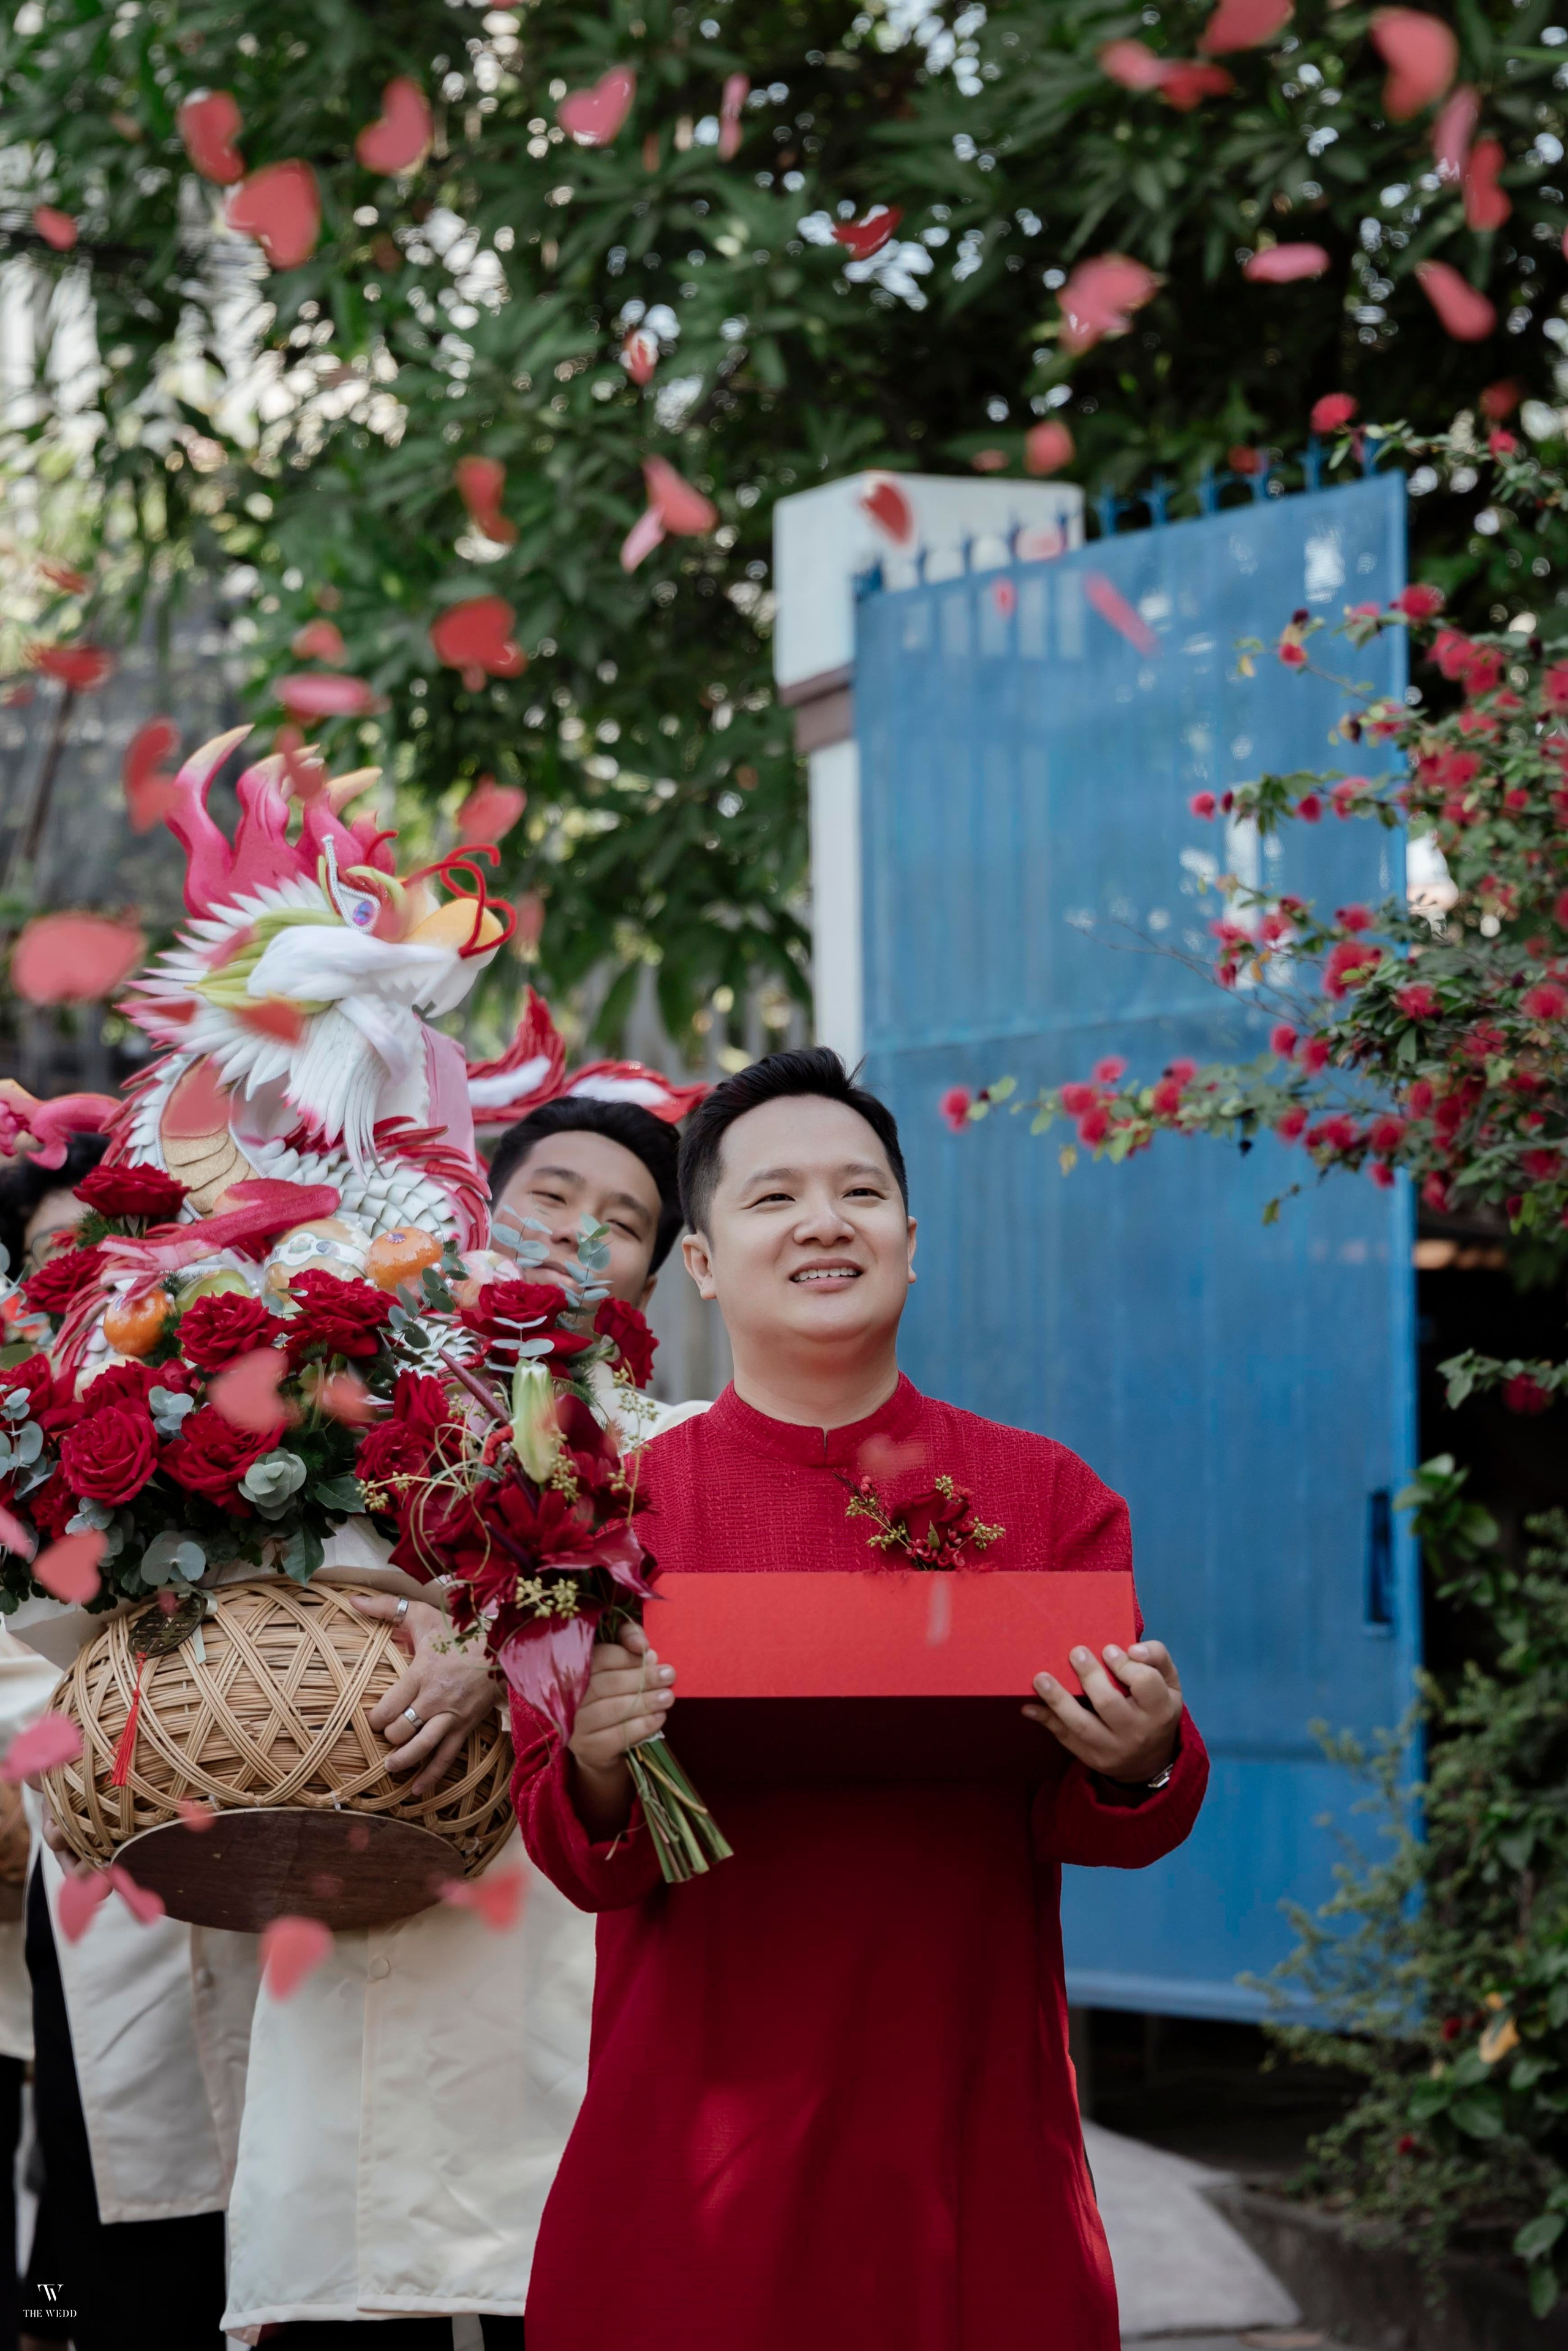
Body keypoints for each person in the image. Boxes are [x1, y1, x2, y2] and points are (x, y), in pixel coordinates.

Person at [513, 1048, 1210, 2351]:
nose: (824, 1220)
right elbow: (571, 1845)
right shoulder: (604, 1515)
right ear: (704, 1263)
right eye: (771, 1197)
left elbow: (1112, 1816)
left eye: (860, 1190)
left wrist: (1140, 1752)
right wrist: (598, 1759)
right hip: (693, 2135)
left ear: (909, 1237)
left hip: (966, 2126)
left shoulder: (1044, 1492)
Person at [222, 1095, 704, 2345]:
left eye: (622, 1220)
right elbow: (257, 1589)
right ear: (486, 1200)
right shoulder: (351, 1389)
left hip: (534, 1904)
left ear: (658, 1268)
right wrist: (405, 1615)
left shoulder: (664, 1445)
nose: (575, 1232)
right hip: (355, 1842)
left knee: (534, 2255)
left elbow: (637, 1598)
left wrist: (494, 1639)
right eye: (551, 1194)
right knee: (348, 2260)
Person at [0, 1134, 258, 2351]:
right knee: (129, 2230)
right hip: (93, 1851)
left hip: (265, 1831)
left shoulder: (248, 1429)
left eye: (127, 1248)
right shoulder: (25, 1452)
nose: (99, 1280)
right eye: (62, 1256)